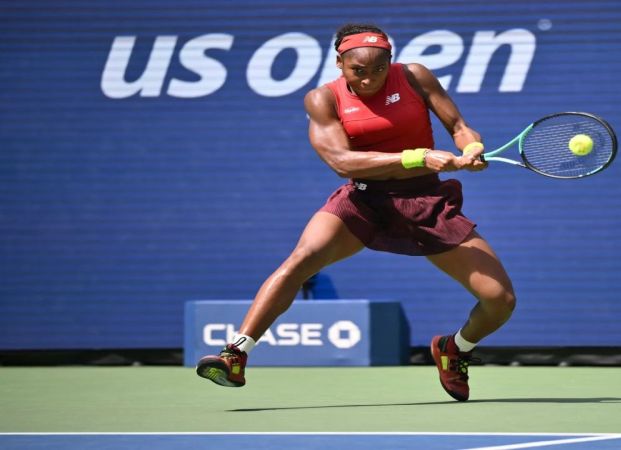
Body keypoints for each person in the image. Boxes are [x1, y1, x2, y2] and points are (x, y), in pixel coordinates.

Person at [196, 23, 516, 402]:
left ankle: (455, 349)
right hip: (363, 202)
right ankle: (236, 353)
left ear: (390, 63)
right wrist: (418, 156)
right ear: (339, 64)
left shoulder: (414, 77)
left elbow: (458, 126)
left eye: (378, 70)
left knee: (500, 300)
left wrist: (472, 147)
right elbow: (341, 161)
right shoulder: (322, 99)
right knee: (300, 261)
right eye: (358, 71)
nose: (368, 79)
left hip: (426, 203)